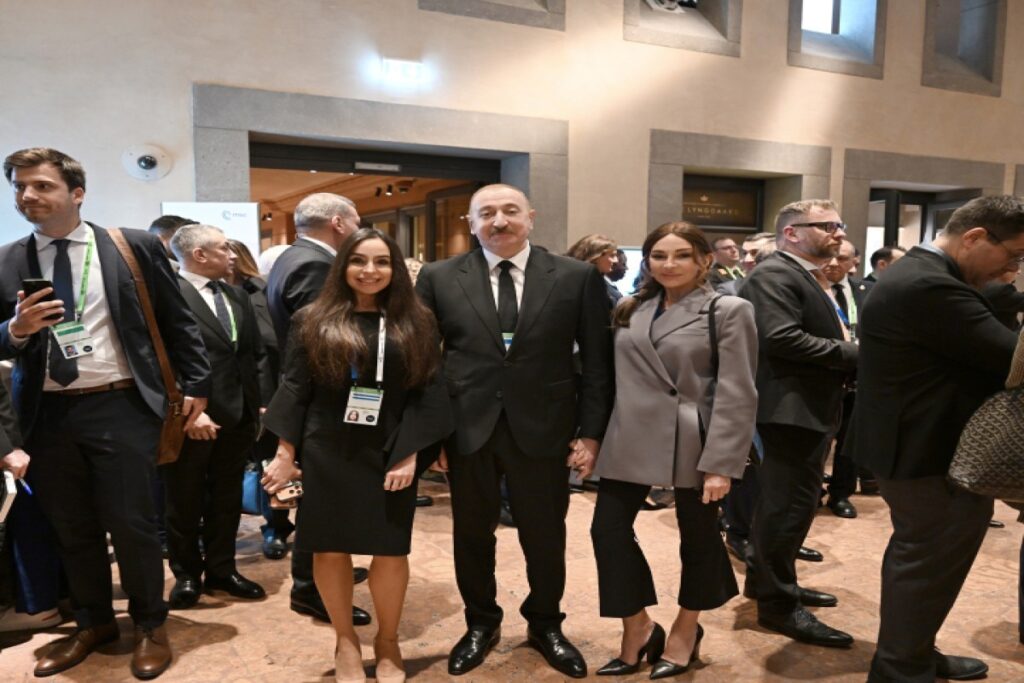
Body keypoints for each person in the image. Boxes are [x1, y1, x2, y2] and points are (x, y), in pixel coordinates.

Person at [0, 147, 210, 679]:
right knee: (71, 528)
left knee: (132, 523)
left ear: (77, 192)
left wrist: (197, 386)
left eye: (41, 185)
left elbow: (178, 320)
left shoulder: (130, 246)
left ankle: (149, 625)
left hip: (121, 404)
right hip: (46, 413)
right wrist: (15, 330)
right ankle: (93, 623)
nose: (28, 195)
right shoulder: (6, 260)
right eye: (19, 186)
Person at [415, 183, 614, 678]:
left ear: (531, 217)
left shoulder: (575, 276)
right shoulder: (439, 277)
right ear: (470, 223)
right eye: (486, 213)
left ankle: (546, 623)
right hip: (467, 431)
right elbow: (424, 364)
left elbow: (598, 362)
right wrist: (432, 436)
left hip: (546, 429)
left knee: (545, 535)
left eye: (509, 211)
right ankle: (480, 623)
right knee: (471, 536)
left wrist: (591, 433)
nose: (499, 221)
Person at [262, 228, 451, 683]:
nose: (370, 271)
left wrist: (411, 454)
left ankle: (388, 641)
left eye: (382, 261)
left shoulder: (417, 321)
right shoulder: (312, 318)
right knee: (329, 547)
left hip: (391, 448)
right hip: (327, 448)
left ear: (395, 268)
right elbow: (295, 387)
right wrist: (285, 452)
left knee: (390, 549)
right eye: (359, 260)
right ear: (342, 265)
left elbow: (428, 392)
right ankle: (345, 640)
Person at [849, 195, 1024, 682]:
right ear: (974, 237)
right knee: (927, 563)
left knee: (923, 559)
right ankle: (901, 669)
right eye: (1013, 255)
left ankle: (912, 653)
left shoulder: (924, 275)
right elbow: (1013, 359)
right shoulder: (930, 285)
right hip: (926, 451)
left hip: (915, 444)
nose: (1013, 267)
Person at [590, 221, 757, 678]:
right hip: (630, 433)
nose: (669, 264)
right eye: (659, 255)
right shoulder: (630, 307)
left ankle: (686, 629)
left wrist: (722, 464)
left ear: (705, 260)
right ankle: (638, 626)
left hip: (694, 436)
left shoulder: (728, 309)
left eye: (682, 254)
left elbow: (737, 390)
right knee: (607, 530)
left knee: (698, 537)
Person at [738, 199, 858, 649]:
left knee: (789, 504)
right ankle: (778, 605)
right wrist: (857, 354)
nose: (838, 233)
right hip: (789, 410)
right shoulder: (775, 274)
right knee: (788, 506)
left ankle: (768, 583)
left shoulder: (804, 274)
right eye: (827, 225)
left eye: (839, 225)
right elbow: (781, 338)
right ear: (791, 233)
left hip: (806, 406)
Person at [265, 192, 371, 625]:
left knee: (325, 500)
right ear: (339, 223)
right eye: (357, 221)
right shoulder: (316, 265)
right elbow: (322, 348)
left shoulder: (290, 257)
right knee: (321, 502)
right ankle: (311, 588)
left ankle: (326, 571)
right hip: (325, 404)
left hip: (314, 400)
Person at [163, 225, 273, 609]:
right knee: (184, 500)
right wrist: (191, 412)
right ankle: (187, 575)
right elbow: (163, 361)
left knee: (227, 498)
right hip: (192, 417)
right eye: (224, 248)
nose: (232, 254)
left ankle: (222, 570)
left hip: (239, 414)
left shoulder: (236, 294)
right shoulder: (167, 295)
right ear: (199, 255)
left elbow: (254, 353)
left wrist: (260, 404)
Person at [226, 238, 292, 557]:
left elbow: (275, 346)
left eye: (230, 252)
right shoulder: (195, 294)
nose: (226, 257)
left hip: (267, 394)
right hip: (223, 396)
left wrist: (268, 398)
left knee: (270, 461)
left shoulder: (264, 293)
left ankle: (277, 526)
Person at [821, 239, 873, 518]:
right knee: (818, 442)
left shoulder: (867, 291)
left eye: (841, 258)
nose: (833, 263)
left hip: (859, 379)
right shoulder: (812, 290)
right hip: (823, 375)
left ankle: (841, 495)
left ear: (854, 262)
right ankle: (812, 491)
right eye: (829, 257)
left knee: (850, 443)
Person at [566, 234, 621, 302]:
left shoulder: (603, 283)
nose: (616, 260)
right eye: (612, 255)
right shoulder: (574, 284)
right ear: (596, 256)